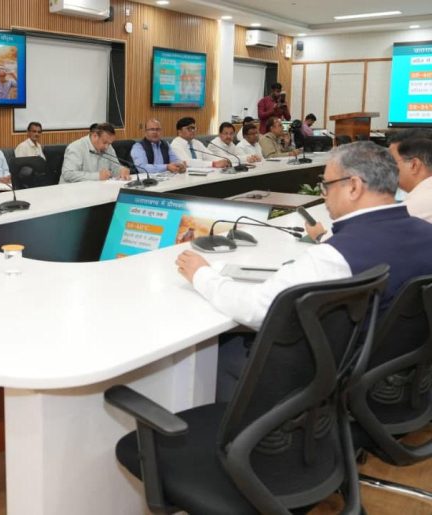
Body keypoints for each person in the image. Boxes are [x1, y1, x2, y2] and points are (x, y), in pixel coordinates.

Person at [176, 141, 432, 400]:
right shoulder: (427, 232)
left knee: (223, 351)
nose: (324, 195)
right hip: (401, 377)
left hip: (334, 380)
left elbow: (256, 309)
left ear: (354, 186)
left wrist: (201, 274)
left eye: (327, 185)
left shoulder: (336, 256)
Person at [59, 122, 131, 183]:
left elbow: (114, 168)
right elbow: (68, 174)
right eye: (104, 142)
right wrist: (97, 176)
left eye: (109, 143)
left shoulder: (109, 147)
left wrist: (121, 170)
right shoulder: (76, 147)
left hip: (96, 189)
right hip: (71, 191)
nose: (107, 147)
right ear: (95, 136)